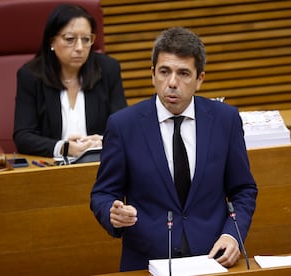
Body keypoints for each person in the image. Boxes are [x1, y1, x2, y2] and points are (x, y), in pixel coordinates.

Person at [90, 27, 257, 271]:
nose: (172, 83)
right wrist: (112, 214)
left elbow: (243, 189)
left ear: (200, 79)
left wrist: (232, 235)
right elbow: (103, 194)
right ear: (152, 74)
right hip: (147, 262)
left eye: (183, 74)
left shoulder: (225, 120)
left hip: (213, 258)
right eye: (164, 72)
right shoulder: (123, 125)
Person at [13, 4, 127, 158]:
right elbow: (23, 137)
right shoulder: (31, 76)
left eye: (86, 39)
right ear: (52, 41)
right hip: (52, 168)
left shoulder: (107, 70)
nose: (80, 47)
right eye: (70, 39)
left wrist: (102, 141)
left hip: (100, 164)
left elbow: (124, 126)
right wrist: (63, 147)